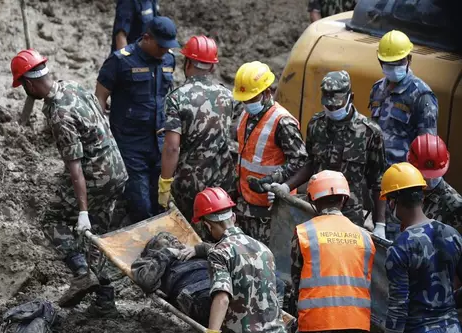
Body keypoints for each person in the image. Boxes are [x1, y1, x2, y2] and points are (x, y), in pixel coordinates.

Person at [10, 49, 128, 316]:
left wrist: (83, 211)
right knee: (95, 235)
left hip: (96, 176)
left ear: (29, 84)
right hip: (117, 168)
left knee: (51, 220)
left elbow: (75, 170)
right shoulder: (73, 86)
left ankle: (81, 271)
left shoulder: (58, 114)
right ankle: (105, 300)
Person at [281, 170, 375, 333]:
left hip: (317, 321)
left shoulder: (305, 233)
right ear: (344, 198)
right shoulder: (365, 237)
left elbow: (296, 281)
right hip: (356, 324)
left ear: (313, 200)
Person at [193, 187, 295, 333]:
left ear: (207, 225)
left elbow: (222, 297)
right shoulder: (263, 249)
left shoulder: (219, 253)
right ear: (233, 217)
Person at [375, 162, 462, 333]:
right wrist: (449, 305)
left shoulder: (401, 247)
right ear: (421, 196)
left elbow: (398, 310)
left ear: (393, 202)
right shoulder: (451, 234)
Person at [281, 71, 386, 234]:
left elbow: (377, 180)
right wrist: (286, 186)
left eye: (337, 106)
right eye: (328, 106)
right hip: (316, 209)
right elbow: (311, 163)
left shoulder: (370, 133)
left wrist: (380, 224)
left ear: (350, 98)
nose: (332, 110)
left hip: (349, 217)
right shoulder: (316, 125)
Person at [96, 16, 178, 223]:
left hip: (159, 142)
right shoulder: (121, 60)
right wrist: (101, 138)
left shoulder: (169, 60)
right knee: (141, 204)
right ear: (147, 38)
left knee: (159, 200)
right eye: (161, 46)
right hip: (130, 144)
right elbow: (100, 97)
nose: (165, 51)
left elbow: (168, 95)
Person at [369, 30, 438, 241]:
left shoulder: (421, 95)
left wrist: (417, 197)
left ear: (408, 59)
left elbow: (428, 151)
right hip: (378, 187)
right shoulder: (377, 91)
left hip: (404, 189)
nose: (392, 68)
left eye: (397, 62)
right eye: (387, 63)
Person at [158, 35, 235, 222]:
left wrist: (165, 184)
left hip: (189, 184)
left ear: (187, 63)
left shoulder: (177, 98)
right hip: (223, 182)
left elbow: (172, 148)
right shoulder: (227, 95)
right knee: (218, 231)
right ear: (213, 66)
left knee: (189, 235)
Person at [233, 61, 308, 245]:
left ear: (267, 92)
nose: (248, 104)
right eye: (245, 100)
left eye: (252, 99)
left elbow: (301, 160)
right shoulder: (246, 115)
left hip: (270, 209)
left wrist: (275, 180)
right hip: (246, 205)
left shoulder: (282, 122)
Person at [130, 232, 212, 326]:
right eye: (165, 237)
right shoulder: (152, 262)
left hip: (221, 284)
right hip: (196, 292)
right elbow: (145, 281)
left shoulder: (193, 252)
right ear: (153, 249)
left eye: (174, 236)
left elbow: (226, 255)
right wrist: (167, 253)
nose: (173, 237)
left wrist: (200, 249)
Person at [407, 134, 462, 232]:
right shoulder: (403, 187)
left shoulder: (454, 205)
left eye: (432, 174)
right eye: (421, 173)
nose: (427, 179)